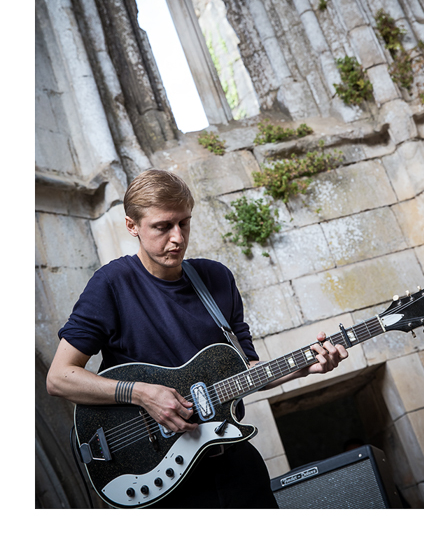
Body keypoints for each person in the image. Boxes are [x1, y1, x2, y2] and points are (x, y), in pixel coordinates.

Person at [47, 169, 348, 508]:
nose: (177, 238)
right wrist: (141, 393)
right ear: (132, 226)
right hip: (157, 477)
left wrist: (306, 367)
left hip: (231, 462)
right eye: (162, 226)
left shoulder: (216, 279)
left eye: (184, 223)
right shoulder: (111, 285)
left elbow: (246, 370)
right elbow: (59, 378)